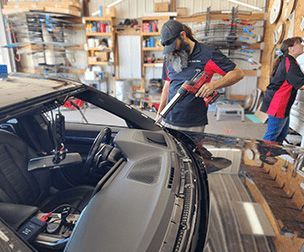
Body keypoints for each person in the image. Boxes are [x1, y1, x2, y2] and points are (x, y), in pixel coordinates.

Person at [156, 20, 244, 133]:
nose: (172, 50)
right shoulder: (169, 56)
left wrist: (213, 85)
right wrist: (160, 113)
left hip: (193, 123)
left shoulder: (207, 54)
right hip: (168, 118)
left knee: (192, 151)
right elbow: (167, 85)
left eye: (174, 45)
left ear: (183, 35)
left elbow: (238, 73)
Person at [261, 37, 304, 144]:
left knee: (282, 134)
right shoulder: (289, 62)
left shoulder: (289, 60)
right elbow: (302, 84)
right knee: (272, 135)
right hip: (279, 104)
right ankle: (264, 156)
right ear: (291, 49)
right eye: (299, 43)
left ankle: (273, 154)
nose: (302, 45)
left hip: (282, 104)